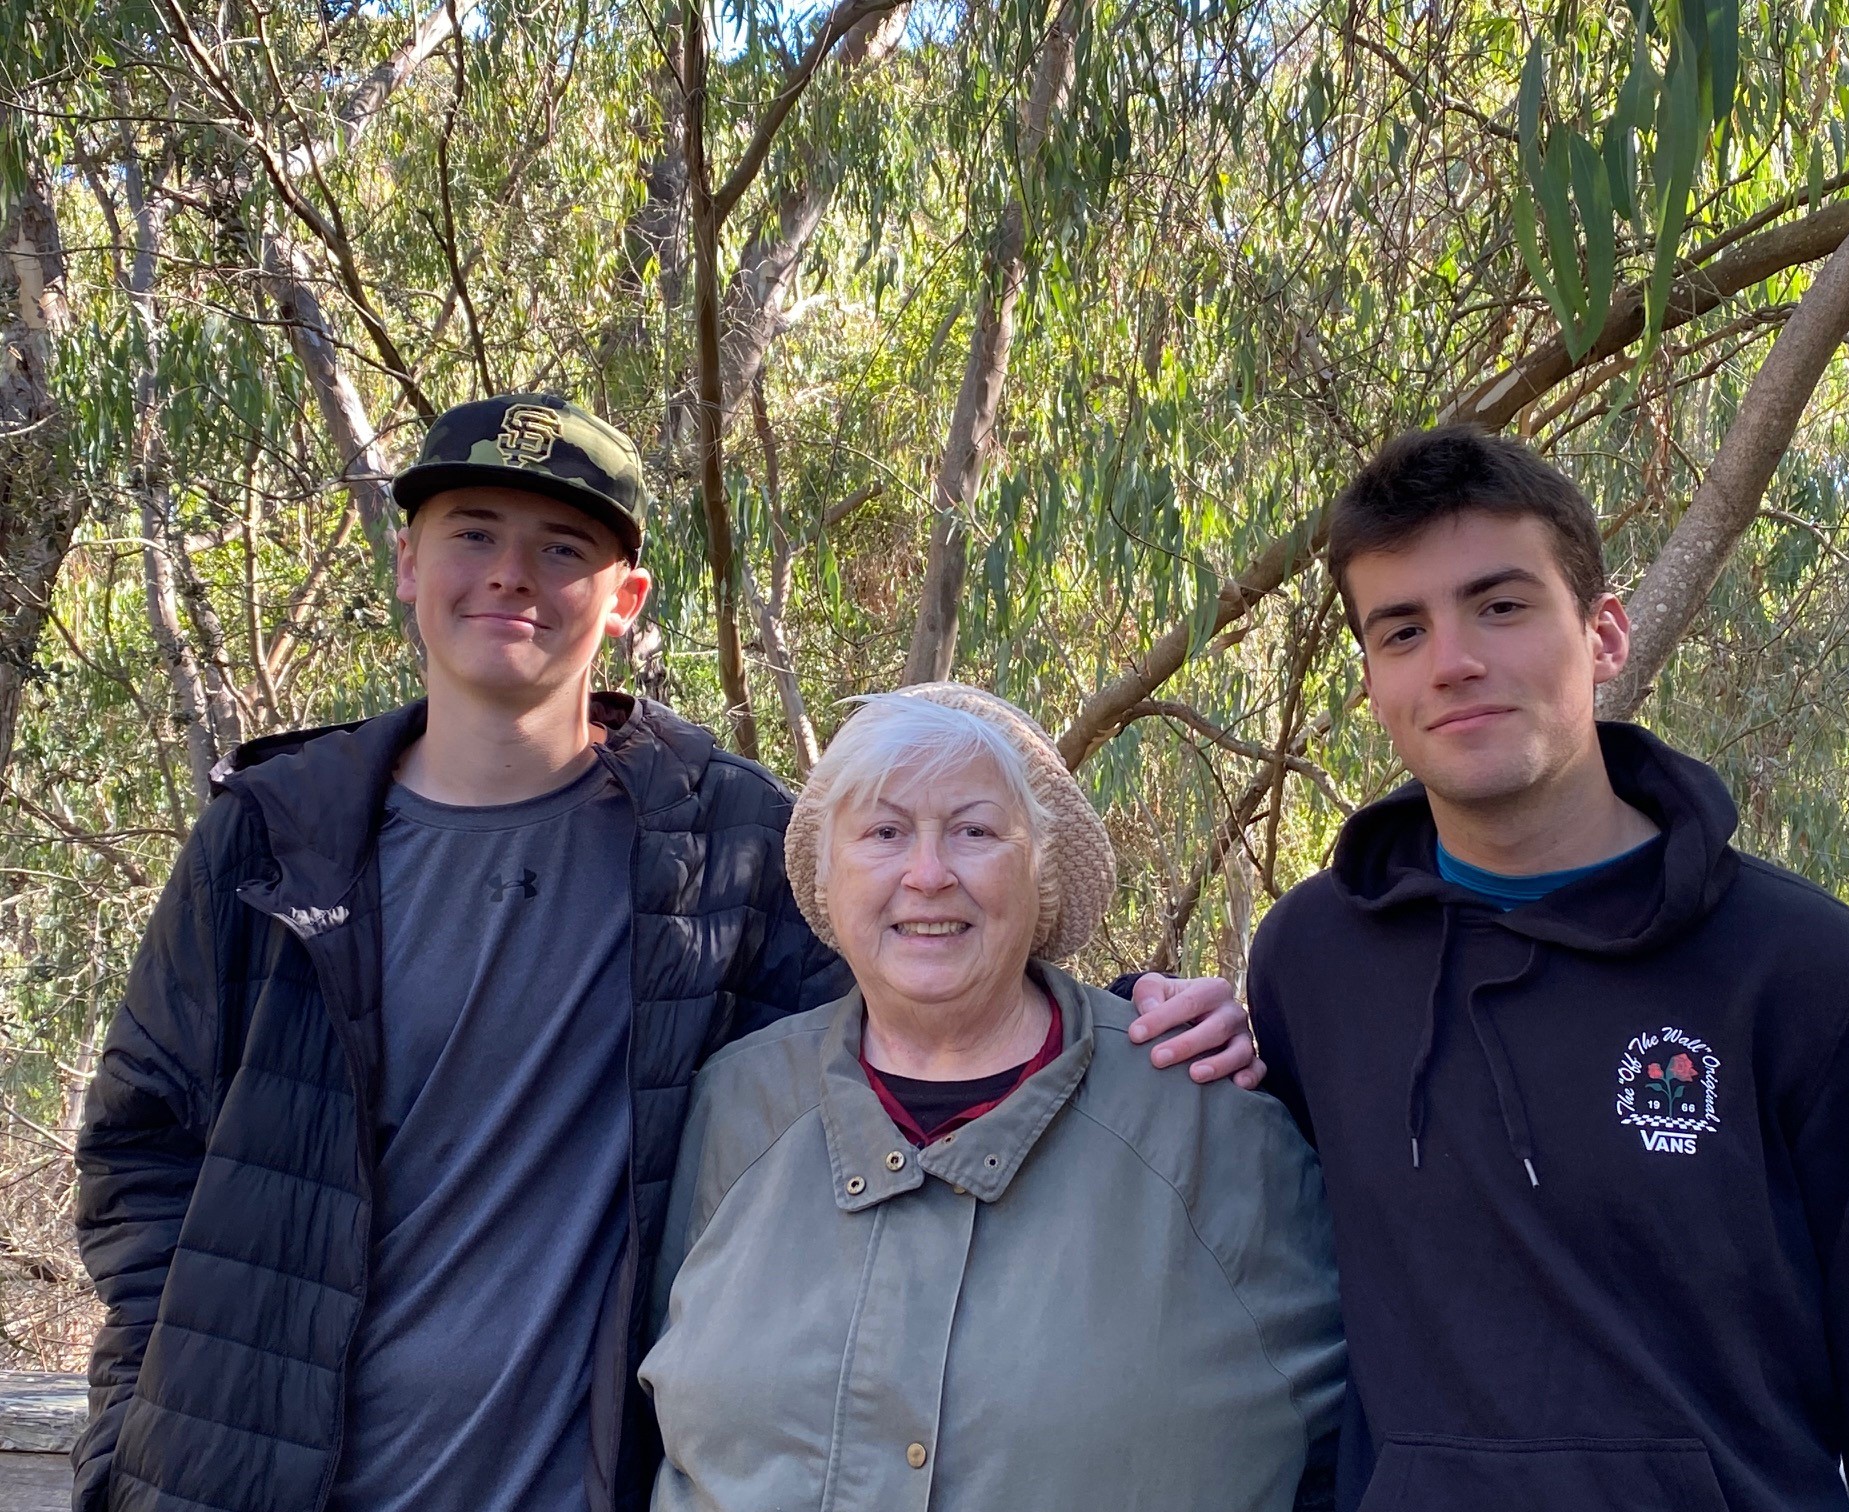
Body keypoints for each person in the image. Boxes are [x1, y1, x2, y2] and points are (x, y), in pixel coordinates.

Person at [70, 393, 1258, 1512]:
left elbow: (920, 1000)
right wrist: (154, 1413)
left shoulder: (721, 841)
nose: (509, 575)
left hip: (579, 1480)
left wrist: (1140, 1017)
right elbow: (143, 1143)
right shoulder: (277, 835)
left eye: (561, 549)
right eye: (471, 532)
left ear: (626, 596)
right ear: (407, 565)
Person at [1249, 425, 1849, 1512]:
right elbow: (1280, 1310)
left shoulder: (1811, 977)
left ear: (1602, 633)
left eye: (1501, 606)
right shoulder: (1311, 964)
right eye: (1403, 629)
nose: (1454, 659)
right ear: (1372, 680)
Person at [639, 683, 1350, 1511]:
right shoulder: (734, 1105)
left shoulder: (1206, 1121)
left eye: (974, 831)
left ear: (1039, 872)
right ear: (829, 876)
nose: (928, 874)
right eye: (884, 832)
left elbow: (1366, 1440)